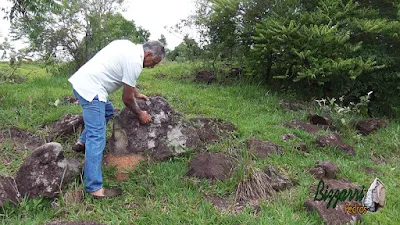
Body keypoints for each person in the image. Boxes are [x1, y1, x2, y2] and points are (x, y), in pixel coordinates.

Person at [68, 40, 165, 198]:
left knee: (107, 110)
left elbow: (127, 78)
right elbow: (126, 99)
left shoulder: (127, 46)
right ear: (148, 54)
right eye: (154, 62)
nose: (152, 67)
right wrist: (140, 113)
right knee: (97, 136)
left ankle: (82, 142)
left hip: (82, 82)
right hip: (92, 90)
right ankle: (94, 188)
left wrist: (136, 92)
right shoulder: (135, 62)